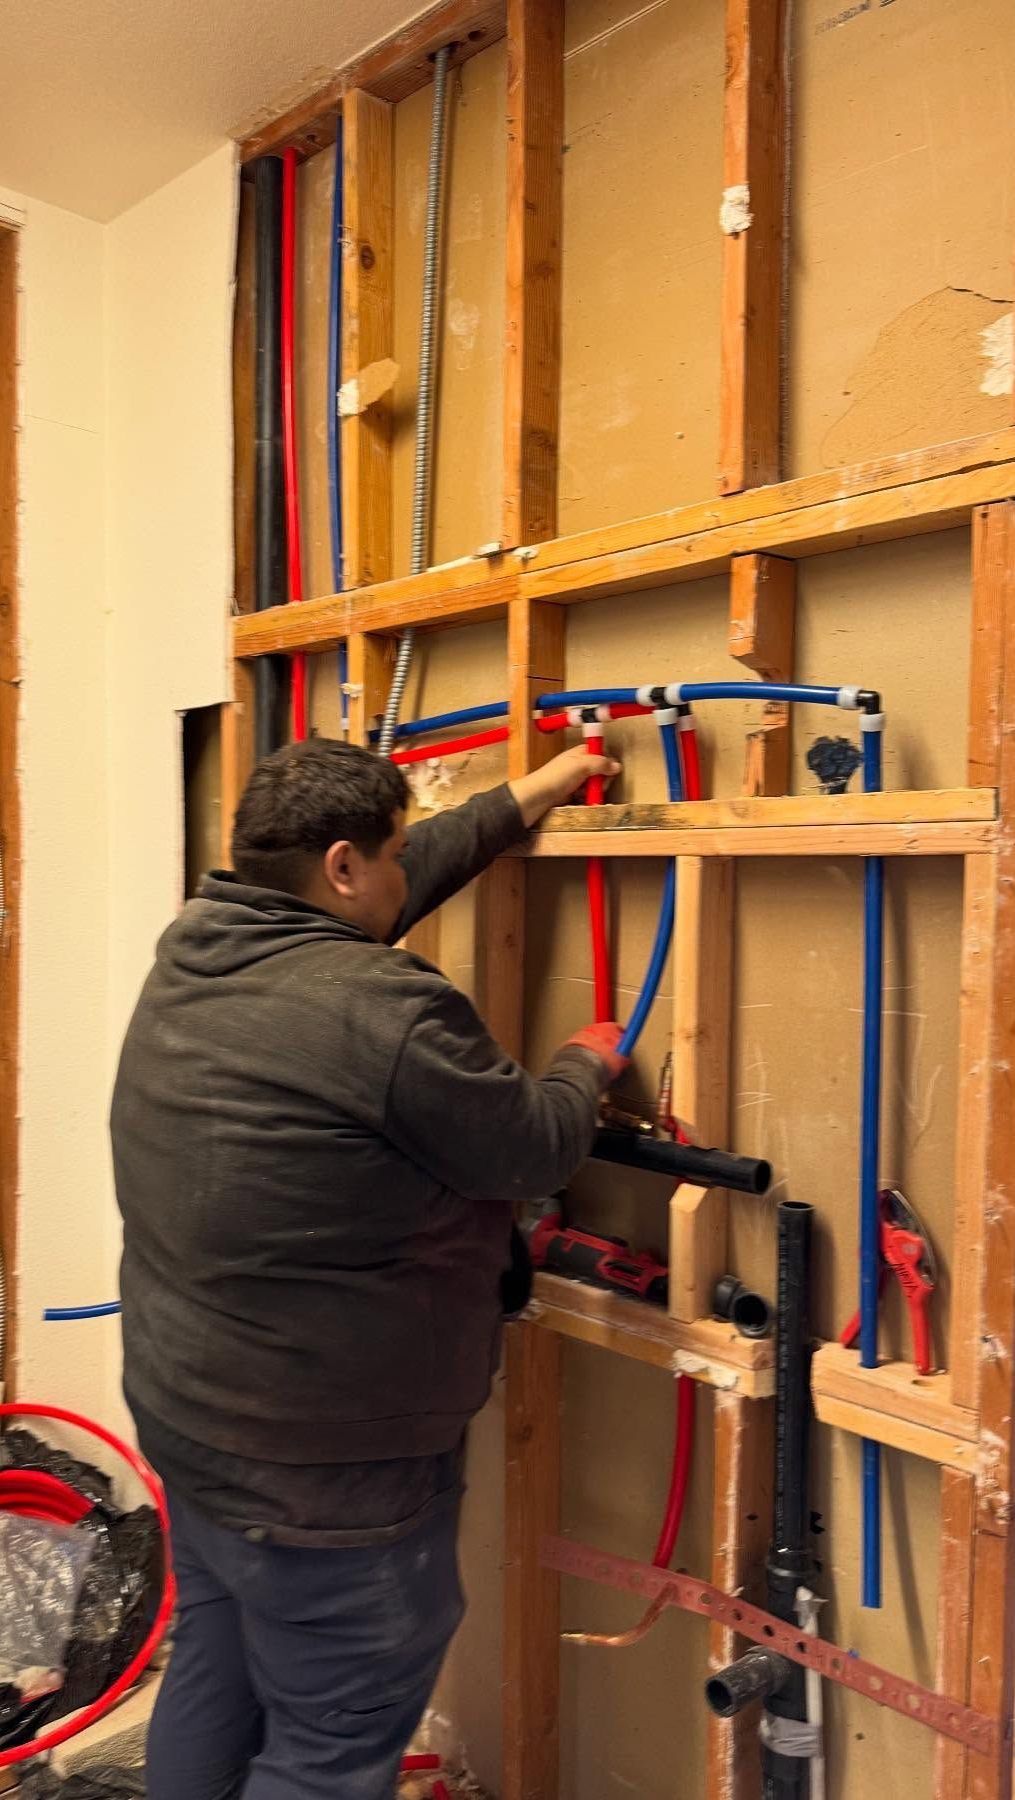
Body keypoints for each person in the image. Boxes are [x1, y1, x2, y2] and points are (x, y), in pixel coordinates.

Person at [111, 737, 627, 1800]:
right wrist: (588, 1063)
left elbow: (394, 879)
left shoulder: (203, 942)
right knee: (332, 1748)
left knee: (219, 1671)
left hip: (192, 1423)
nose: (405, 870)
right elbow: (531, 1146)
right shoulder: (384, 1011)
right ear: (343, 867)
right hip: (327, 1479)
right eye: (389, 851)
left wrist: (531, 794)